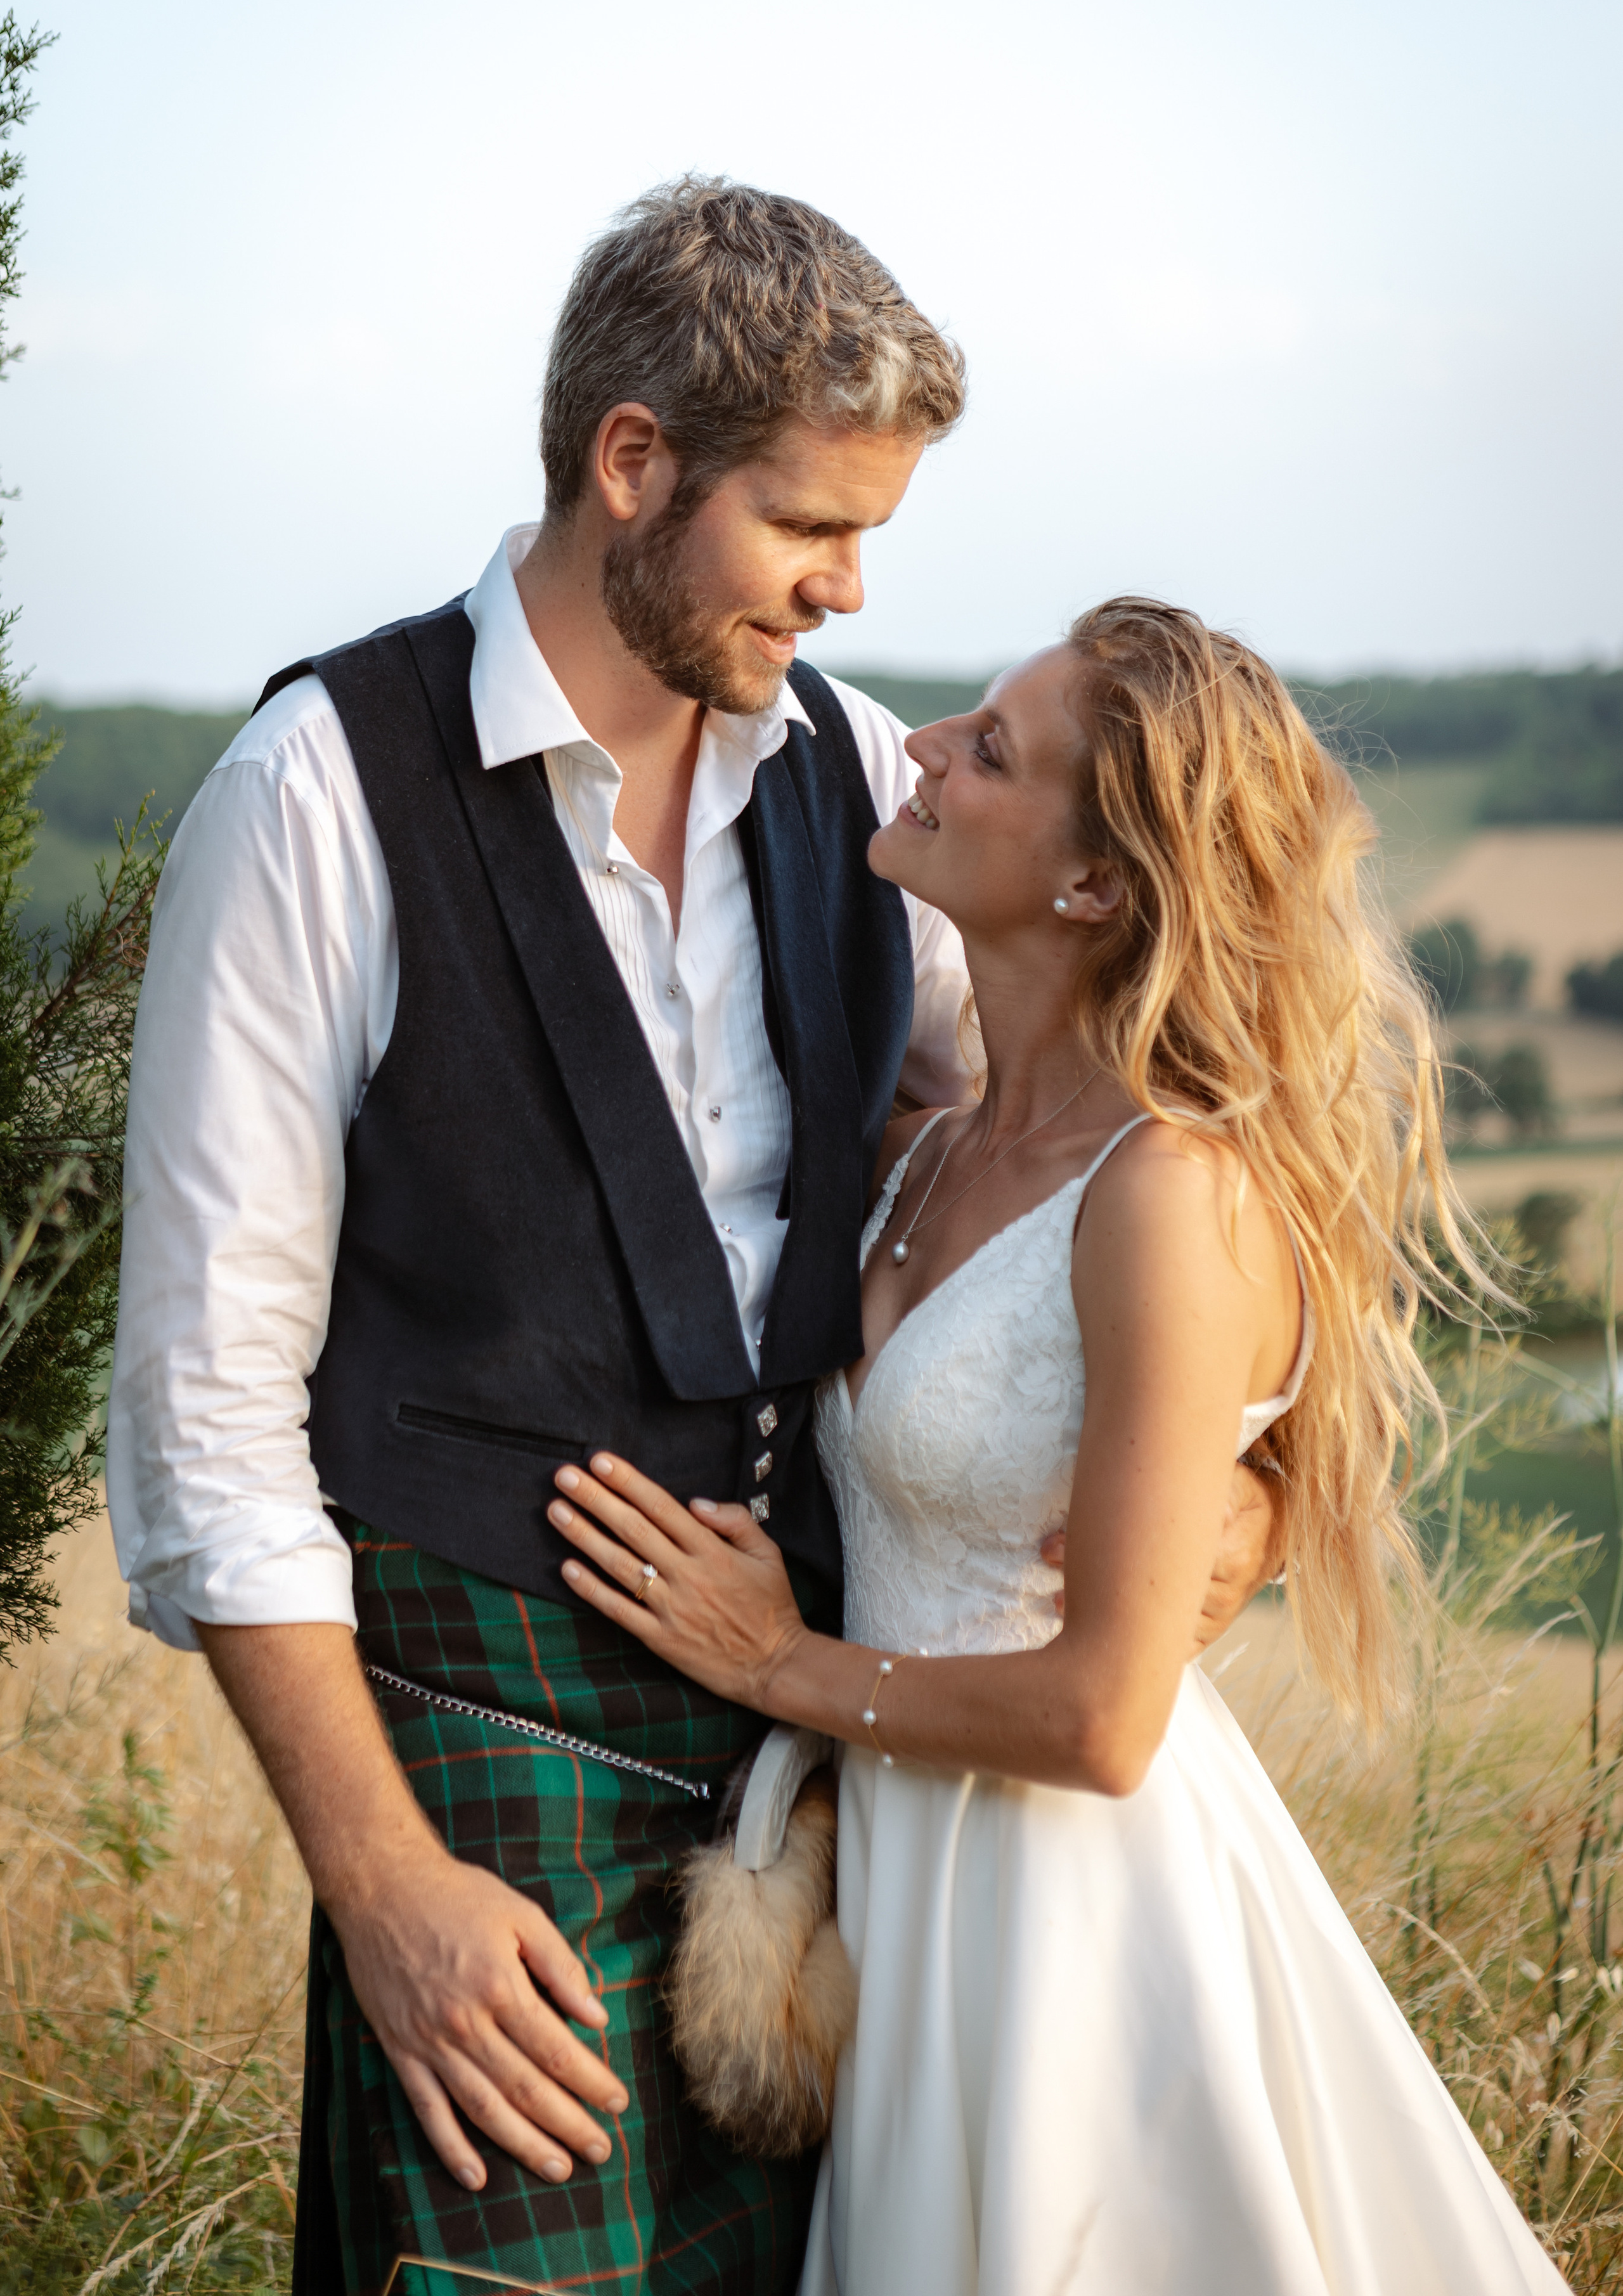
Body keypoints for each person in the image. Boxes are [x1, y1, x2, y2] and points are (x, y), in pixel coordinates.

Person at [106, 186, 1281, 2295]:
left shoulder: (850, 773)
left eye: (875, 540)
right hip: (488, 1781)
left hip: (850, 1806)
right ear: (628, 463)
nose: (847, 592)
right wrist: (383, 1885)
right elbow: (207, 1421)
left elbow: (1071, 1167)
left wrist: (1249, 1500)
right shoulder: (314, 793)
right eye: (808, 527)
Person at [546, 598, 1569, 2295]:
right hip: (908, 1892)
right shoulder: (929, 1148)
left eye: (993, 750)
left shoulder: (1169, 1192)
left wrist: (784, 1665)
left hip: (1078, 1919)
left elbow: (1104, 1721)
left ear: (1095, 885)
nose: (927, 750)